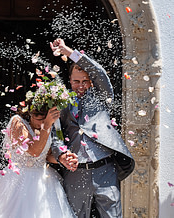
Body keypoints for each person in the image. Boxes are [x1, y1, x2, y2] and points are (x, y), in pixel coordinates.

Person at [50, 38, 135, 218]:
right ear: (69, 81)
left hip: (104, 169)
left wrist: (67, 51)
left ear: (91, 82)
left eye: (85, 81)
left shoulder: (101, 97)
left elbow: (98, 72)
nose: (81, 86)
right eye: (76, 81)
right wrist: (61, 155)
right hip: (76, 172)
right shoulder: (62, 103)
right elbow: (56, 134)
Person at [0, 99, 76, 217]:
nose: (41, 123)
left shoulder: (48, 125)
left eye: (44, 120)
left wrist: (62, 159)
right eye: (39, 119)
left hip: (43, 180)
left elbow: (46, 155)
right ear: (30, 113)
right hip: (19, 181)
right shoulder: (18, 123)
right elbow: (34, 151)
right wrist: (46, 126)